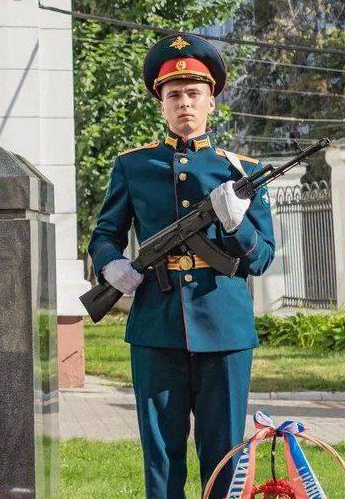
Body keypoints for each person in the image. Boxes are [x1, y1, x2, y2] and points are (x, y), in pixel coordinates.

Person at [87, 34, 276, 499]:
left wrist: (237, 227)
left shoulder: (241, 171)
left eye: (194, 94)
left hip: (224, 327)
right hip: (157, 326)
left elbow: (263, 257)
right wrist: (111, 266)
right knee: (162, 456)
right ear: (161, 103)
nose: (185, 103)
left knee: (224, 456)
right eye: (174, 95)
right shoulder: (134, 166)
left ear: (212, 101)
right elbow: (105, 235)